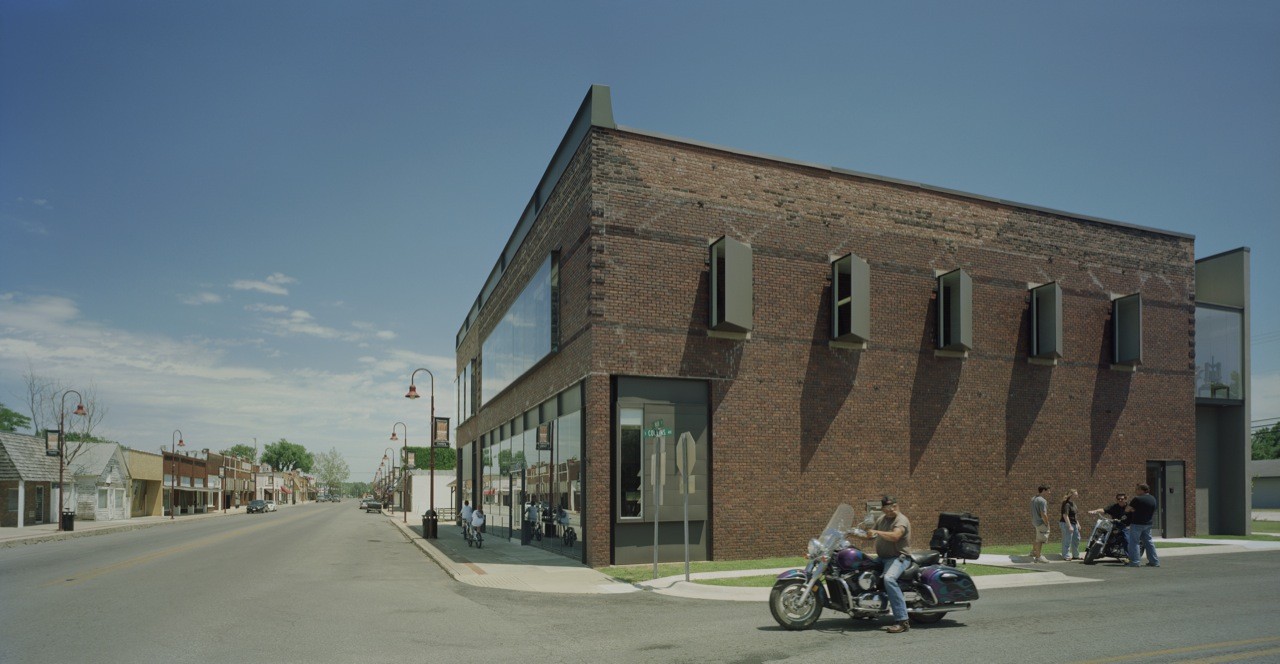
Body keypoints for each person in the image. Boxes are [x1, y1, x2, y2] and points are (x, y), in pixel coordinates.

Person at [863, 495, 912, 634]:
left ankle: (902, 621)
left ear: (896, 506)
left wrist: (876, 532)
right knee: (862, 567)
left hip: (899, 557)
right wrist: (849, 534)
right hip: (882, 558)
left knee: (889, 579)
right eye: (887, 508)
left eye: (893, 507)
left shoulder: (901, 520)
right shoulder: (882, 519)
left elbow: (896, 536)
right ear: (884, 509)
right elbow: (870, 535)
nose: (890, 510)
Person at [1125, 483, 1160, 567]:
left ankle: (1135, 562)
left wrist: (1133, 510)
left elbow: (1127, 509)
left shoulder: (1137, 499)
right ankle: (1154, 562)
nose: (1136, 491)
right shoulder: (1153, 498)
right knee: (1149, 542)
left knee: (1134, 542)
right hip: (1148, 524)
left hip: (1137, 523)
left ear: (1142, 490)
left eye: (1137, 489)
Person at [1030, 485, 1051, 563]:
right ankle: (1038, 557)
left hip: (1035, 522)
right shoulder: (1042, 501)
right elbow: (1043, 514)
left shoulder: (1033, 498)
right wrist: (1047, 523)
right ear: (1043, 491)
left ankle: (1033, 552)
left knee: (1037, 538)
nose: (1049, 492)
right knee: (1040, 540)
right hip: (1041, 523)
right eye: (1048, 490)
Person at [1059, 489, 1081, 561]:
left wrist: (1078, 524)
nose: (1077, 495)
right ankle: (1066, 556)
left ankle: (1076, 555)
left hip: (1074, 524)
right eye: (1076, 494)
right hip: (1066, 524)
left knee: (1076, 539)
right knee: (1067, 540)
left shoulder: (1073, 503)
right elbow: (1065, 515)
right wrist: (1069, 526)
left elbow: (1075, 515)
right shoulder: (1067, 504)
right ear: (1071, 495)